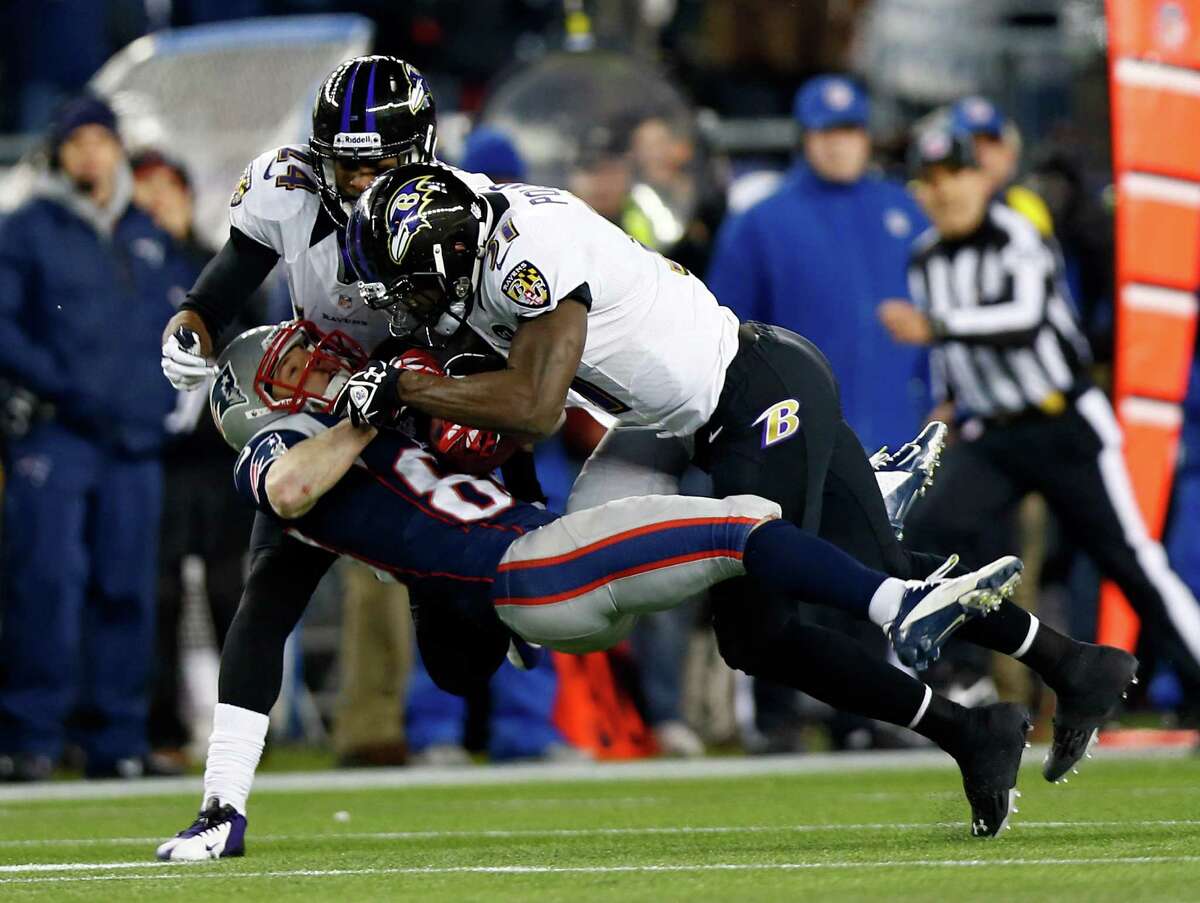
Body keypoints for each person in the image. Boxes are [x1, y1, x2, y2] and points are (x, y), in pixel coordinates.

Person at [340, 164, 1134, 800]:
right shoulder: (465, 218)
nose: (408, 308)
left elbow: (537, 406)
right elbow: (516, 416)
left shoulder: (524, 257)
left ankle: (966, 729)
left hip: (754, 393)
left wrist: (405, 388)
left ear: (448, 254)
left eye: (411, 287)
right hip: (673, 418)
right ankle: (1073, 666)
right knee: (581, 565)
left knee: (761, 627)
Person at [159, 318, 1039, 858]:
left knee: (734, 560)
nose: (319, 370)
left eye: (315, 362)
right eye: (295, 375)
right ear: (258, 413)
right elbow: (287, 493)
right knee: (736, 525)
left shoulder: (376, 419)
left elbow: (488, 437)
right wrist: (222, 800)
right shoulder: (280, 463)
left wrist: (409, 402)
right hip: (538, 571)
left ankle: (957, 708)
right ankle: (894, 598)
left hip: (540, 563)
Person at [880, 122, 1200, 738]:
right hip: (994, 433)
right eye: (929, 182)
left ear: (981, 177)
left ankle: (1198, 683)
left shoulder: (1017, 231)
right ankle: (960, 674)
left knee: (1130, 561)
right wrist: (948, 400)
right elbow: (954, 354)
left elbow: (1024, 317)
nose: (944, 193)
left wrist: (938, 328)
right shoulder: (924, 256)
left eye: (954, 177)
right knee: (930, 534)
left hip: (1062, 424)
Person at [0, 95, 183, 780]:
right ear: (59, 153)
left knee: (128, 588)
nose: (88, 154)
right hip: (58, 433)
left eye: (99, 140)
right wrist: (64, 386)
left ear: (118, 149)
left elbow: (193, 319)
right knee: (44, 582)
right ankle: (31, 737)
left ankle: (118, 739)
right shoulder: (26, 229)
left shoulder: (150, 230)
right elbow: (4, 326)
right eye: (76, 142)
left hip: (132, 440)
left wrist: (162, 399)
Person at [708, 74, 930, 455]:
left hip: (903, 426)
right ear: (805, 137)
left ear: (866, 136)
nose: (839, 145)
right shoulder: (761, 221)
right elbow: (725, 333)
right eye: (826, 132)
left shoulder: (907, 210)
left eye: (849, 130)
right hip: (797, 434)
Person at [948, 96, 1053, 238]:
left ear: (1010, 152)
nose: (980, 153)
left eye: (991, 142)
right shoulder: (929, 205)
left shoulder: (1025, 208)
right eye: (969, 142)